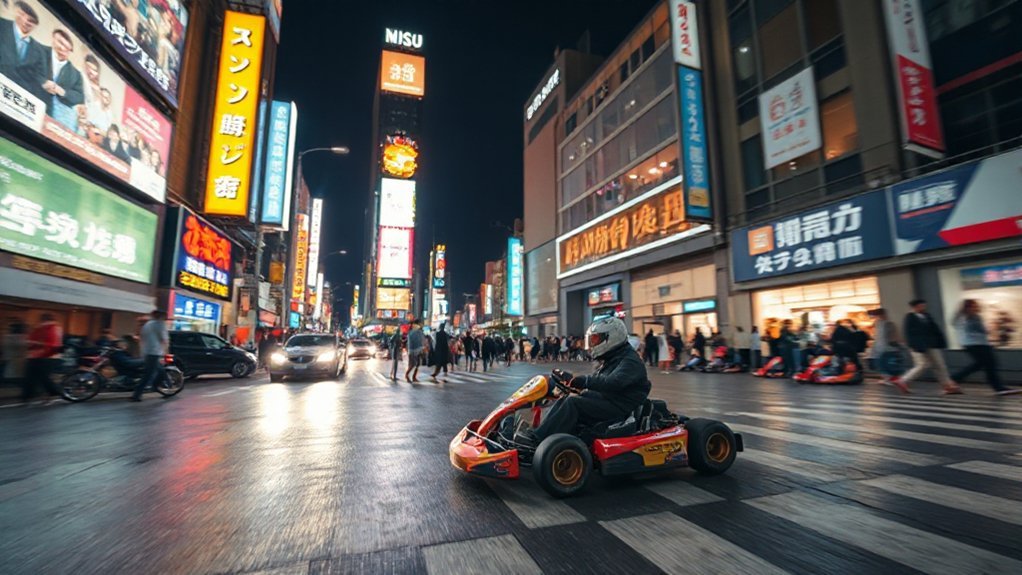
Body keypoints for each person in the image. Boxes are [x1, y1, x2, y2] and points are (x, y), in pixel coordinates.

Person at [521, 317, 650, 445]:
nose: (593, 344)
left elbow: (612, 382)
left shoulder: (630, 360)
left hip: (620, 407)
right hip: (610, 400)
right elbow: (599, 382)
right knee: (565, 398)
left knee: (573, 403)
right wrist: (574, 384)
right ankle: (541, 433)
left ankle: (537, 440)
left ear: (611, 338)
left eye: (596, 339)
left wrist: (583, 381)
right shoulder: (614, 357)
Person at [951, 299, 1020, 395]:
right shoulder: (973, 317)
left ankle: (955, 378)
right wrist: (990, 330)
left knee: (981, 364)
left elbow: (962, 328)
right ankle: (998, 387)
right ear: (968, 307)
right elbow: (981, 330)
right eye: (973, 306)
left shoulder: (961, 317)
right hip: (978, 344)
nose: (976, 307)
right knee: (990, 364)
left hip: (970, 344)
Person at [901, 299, 961, 395]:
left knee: (939, 364)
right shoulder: (910, 317)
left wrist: (940, 341)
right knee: (923, 364)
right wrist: (914, 345)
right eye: (921, 306)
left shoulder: (927, 315)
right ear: (915, 307)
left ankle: (947, 385)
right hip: (919, 345)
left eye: (924, 305)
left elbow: (935, 329)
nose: (923, 307)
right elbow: (909, 333)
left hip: (931, 344)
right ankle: (904, 380)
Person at [0, 2, 46, 96]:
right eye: (27, 19)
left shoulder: (39, 51)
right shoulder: (2, 26)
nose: (28, 23)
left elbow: (37, 81)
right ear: (18, 13)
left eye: (32, 22)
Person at [42, 29, 84, 127]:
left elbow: (79, 97)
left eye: (66, 47)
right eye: (60, 42)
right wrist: (42, 83)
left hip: (58, 119)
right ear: (53, 39)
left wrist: (62, 91)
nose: (62, 48)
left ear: (70, 50)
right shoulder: (41, 52)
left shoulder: (76, 74)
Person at [23, 313, 62, 402]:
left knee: (34, 376)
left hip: (42, 356)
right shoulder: (53, 328)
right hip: (49, 356)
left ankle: (28, 395)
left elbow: (52, 343)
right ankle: (51, 392)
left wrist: (34, 343)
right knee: (42, 377)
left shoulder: (48, 328)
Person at [133, 309, 168, 402]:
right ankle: (137, 395)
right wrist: (165, 350)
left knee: (161, 371)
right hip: (154, 352)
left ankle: (156, 387)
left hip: (147, 351)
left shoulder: (147, 324)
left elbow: (142, 337)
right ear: (161, 316)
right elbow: (164, 338)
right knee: (148, 374)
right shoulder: (160, 324)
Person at [869, 308, 903, 387]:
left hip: (887, 348)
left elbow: (892, 336)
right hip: (882, 347)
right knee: (883, 364)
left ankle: (889, 379)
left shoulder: (887, 324)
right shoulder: (879, 323)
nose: (877, 316)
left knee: (886, 364)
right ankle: (888, 379)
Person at [3, 320, 27, 389]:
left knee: (12, 376)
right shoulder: (25, 337)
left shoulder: (8, 337)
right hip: (22, 359)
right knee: (19, 376)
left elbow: (6, 349)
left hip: (12, 359)